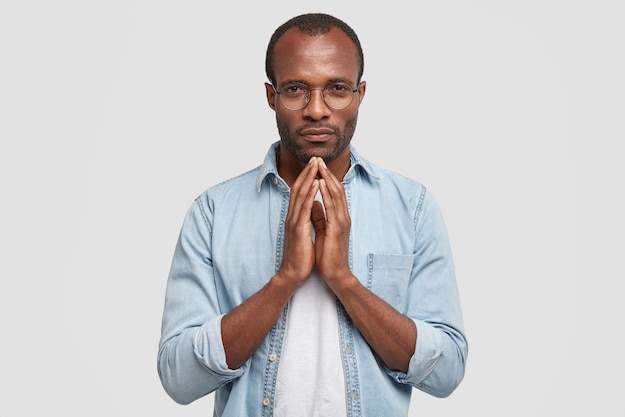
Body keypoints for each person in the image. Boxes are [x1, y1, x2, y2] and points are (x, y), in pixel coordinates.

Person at [157, 12, 468, 417]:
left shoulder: (412, 207)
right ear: (271, 96)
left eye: (337, 88)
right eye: (296, 89)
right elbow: (178, 379)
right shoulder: (214, 212)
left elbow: (447, 371)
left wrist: (343, 280)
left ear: (360, 93)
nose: (317, 110)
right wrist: (285, 279)